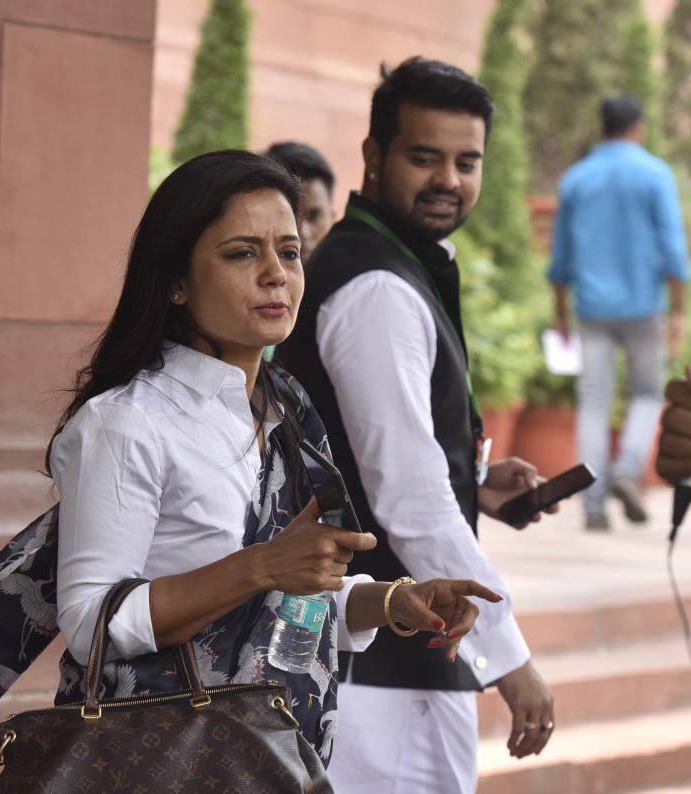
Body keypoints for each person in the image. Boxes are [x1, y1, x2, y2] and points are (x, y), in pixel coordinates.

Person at [48, 148, 503, 763]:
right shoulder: (128, 423)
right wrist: (261, 567)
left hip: (276, 756)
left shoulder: (282, 411)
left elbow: (293, 603)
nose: (276, 274)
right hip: (164, 760)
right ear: (176, 280)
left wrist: (396, 601)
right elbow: (89, 623)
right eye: (242, 253)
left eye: (289, 252)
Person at [279, 58, 554, 793]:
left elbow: (381, 451)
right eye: (424, 157)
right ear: (373, 157)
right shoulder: (375, 287)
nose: (449, 180)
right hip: (380, 677)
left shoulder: (393, 266)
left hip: (377, 662)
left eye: (468, 162)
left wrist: (477, 480)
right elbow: (409, 496)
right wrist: (511, 658)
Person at [549, 93, 689, 531]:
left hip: (591, 307)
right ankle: (628, 470)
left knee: (594, 400)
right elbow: (672, 245)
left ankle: (592, 505)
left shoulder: (577, 178)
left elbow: (561, 255)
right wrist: (679, 310)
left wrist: (559, 312)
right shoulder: (654, 174)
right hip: (644, 305)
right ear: (637, 128)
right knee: (648, 394)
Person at [264, 141, 336, 264]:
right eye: (290, 217)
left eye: (314, 216)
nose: (303, 232)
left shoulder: (360, 280)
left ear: (332, 217)